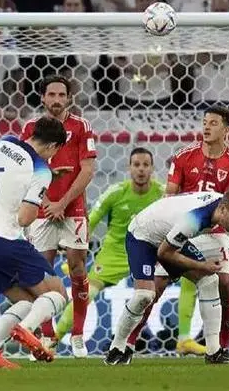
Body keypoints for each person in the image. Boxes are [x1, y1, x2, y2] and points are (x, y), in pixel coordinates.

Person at [125, 107, 229, 362]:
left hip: (215, 232)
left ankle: (223, 348)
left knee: (226, 284)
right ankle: (128, 344)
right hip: (181, 229)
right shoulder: (184, 156)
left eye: (213, 123)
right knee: (153, 288)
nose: (206, 127)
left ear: (226, 129)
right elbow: (169, 197)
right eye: (204, 122)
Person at [0, 116, 69, 369]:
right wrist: (42, 187)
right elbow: (24, 218)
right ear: (54, 146)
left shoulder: (5, 142)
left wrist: (44, 177)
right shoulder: (41, 171)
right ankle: (26, 330)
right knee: (58, 293)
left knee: (25, 301)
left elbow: (13, 173)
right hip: (4, 239)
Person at [104, 190, 229, 365]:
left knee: (210, 280)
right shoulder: (194, 219)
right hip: (142, 236)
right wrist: (203, 265)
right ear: (224, 209)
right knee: (145, 295)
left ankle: (214, 352)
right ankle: (117, 348)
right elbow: (164, 253)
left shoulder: (219, 202)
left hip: (168, 236)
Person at [53, 148, 163, 347]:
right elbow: (91, 222)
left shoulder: (161, 193)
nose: (141, 170)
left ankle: (182, 339)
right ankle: (53, 338)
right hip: (115, 253)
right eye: (136, 165)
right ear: (129, 168)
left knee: (151, 296)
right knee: (88, 293)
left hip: (149, 254)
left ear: (152, 168)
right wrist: (76, 253)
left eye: (145, 165)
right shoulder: (116, 192)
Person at [19, 75, 96, 357]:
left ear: (69, 98)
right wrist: (48, 201)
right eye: (51, 95)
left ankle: (77, 335)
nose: (56, 100)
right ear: (42, 97)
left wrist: (62, 202)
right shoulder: (30, 127)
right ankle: (47, 336)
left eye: (61, 95)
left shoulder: (81, 127)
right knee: (42, 272)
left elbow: (87, 170)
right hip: (41, 209)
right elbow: (25, 169)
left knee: (77, 268)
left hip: (73, 208)